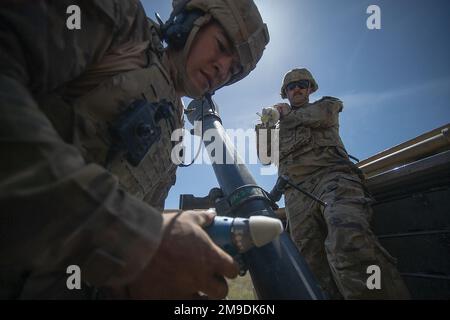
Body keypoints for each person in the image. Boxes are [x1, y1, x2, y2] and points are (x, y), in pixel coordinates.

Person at [0, 0, 269, 299]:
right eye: (220, 46)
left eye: (234, 69)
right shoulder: (124, 27)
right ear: (189, 22)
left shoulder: (175, 136)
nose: (222, 69)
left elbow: (146, 220)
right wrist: (133, 236)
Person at [256, 68, 410, 299]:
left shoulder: (326, 106)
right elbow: (265, 157)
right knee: (310, 266)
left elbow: (324, 116)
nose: (297, 88)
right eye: (291, 86)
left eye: (302, 84)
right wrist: (266, 124)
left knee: (347, 235)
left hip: (333, 178)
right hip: (296, 194)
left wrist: (286, 114)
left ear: (310, 88)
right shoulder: (279, 127)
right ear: (285, 93)